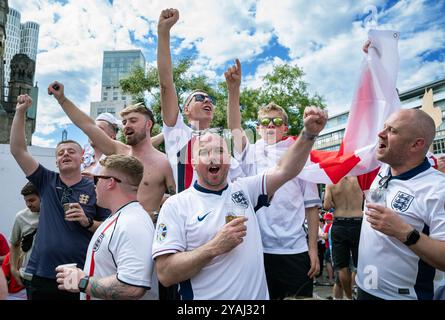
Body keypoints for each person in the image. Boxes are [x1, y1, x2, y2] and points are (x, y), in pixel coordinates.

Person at [152, 105, 327, 300]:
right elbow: (165, 274)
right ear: (193, 162)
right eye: (204, 152)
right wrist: (214, 247)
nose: (213, 157)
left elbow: (285, 170)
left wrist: (309, 134)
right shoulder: (176, 205)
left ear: (229, 159)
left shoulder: (246, 190)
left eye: (220, 150)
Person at [225, 59, 321, 299]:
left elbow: (312, 208)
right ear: (258, 128)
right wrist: (233, 90)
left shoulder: (299, 155)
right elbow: (235, 128)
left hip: (294, 250)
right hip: (256, 248)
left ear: (285, 129)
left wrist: (313, 250)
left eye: (277, 122)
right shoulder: (250, 152)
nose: (270, 124)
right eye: (265, 121)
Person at [10, 94, 109, 300]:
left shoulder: (96, 186)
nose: (65, 154)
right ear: (56, 161)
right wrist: (20, 112)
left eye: (71, 151)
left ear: (82, 157)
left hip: (78, 273)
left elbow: (108, 230)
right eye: (61, 152)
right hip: (42, 272)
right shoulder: (46, 179)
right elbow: (18, 150)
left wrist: (87, 221)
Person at [48, 83, 176, 222]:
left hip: (145, 234)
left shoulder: (165, 163)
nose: (127, 126)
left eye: (133, 121)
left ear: (148, 125)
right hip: (114, 229)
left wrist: (157, 216)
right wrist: (62, 99)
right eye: (125, 122)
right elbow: (87, 125)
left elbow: (177, 202)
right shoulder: (118, 152)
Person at [356, 109, 445, 300]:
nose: (381, 134)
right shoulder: (384, 169)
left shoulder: (438, 189)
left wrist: (405, 233)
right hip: (365, 288)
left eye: (392, 131)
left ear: (416, 144)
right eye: (384, 127)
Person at [157, 8, 244, 194]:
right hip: (188, 219)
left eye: (210, 99)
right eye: (199, 97)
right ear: (185, 110)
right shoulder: (178, 132)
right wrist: (163, 33)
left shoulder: (223, 145)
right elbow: (166, 84)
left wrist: (233, 90)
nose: (207, 100)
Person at [56, 154, 157, 300]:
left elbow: (132, 287)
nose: (94, 185)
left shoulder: (133, 223)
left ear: (110, 182)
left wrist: (82, 282)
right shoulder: (121, 217)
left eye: (97, 179)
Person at [323, 176, 363, 299]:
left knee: (342, 267)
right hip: (358, 222)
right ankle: (363, 294)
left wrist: (336, 202)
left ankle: (349, 297)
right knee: (362, 264)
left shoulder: (331, 182)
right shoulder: (360, 179)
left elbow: (326, 206)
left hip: (340, 223)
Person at [9, 181, 40, 297]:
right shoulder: (21, 217)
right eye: (26, 201)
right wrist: (13, 269)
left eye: (32, 200)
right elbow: (15, 244)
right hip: (29, 275)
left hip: (53, 275)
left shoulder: (54, 215)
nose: (28, 204)